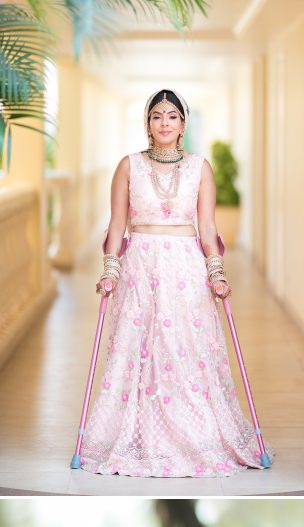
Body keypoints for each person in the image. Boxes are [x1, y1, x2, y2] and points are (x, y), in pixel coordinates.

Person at [77, 88, 269, 477]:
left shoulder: (200, 167)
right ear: (147, 124)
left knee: (184, 350)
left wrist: (216, 271)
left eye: (172, 116)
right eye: (157, 116)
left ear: (183, 124)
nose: (164, 123)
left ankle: (195, 436)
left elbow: (208, 227)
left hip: (185, 269)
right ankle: (136, 436)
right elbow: (116, 224)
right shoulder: (129, 166)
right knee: (138, 349)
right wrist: (110, 268)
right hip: (140, 267)